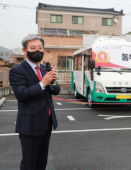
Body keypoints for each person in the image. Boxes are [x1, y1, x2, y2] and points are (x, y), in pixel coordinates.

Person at [9, 34, 60, 170]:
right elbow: (21, 94)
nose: (37, 51)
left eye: (40, 47)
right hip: (30, 125)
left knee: (41, 162)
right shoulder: (17, 71)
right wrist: (43, 83)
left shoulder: (44, 69)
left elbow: (55, 91)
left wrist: (53, 82)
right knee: (29, 163)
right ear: (24, 51)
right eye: (33, 48)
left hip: (47, 122)